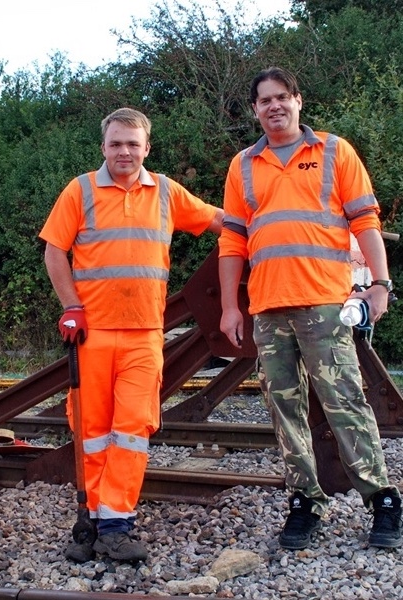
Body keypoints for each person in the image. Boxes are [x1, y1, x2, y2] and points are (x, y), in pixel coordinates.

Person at [218, 66, 402, 551]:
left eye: (282, 97)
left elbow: (365, 220)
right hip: (269, 307)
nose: (274, 106)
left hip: (325, 302)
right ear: (255, 109)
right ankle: (304, 501)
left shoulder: (334, 151)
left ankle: (381, 499)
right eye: (265, 100)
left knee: (344, 401)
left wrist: (380, 284)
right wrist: (230, 308)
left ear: (298, 100)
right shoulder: (242, 166)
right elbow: (233, 240)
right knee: (285, 408)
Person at [39, 107, 223, 563]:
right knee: (92, 431)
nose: (125, 151)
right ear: (104, 147)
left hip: (144, 335)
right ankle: (96, 521)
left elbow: (221, 220)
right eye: (116, 143)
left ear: (147, 148)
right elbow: (54, 252)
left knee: (133, 429)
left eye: (133, 144)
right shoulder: (79, 191)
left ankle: (114, 523)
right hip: (93, 335)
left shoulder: (164, 192)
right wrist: (71, 306)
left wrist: (280, 224)